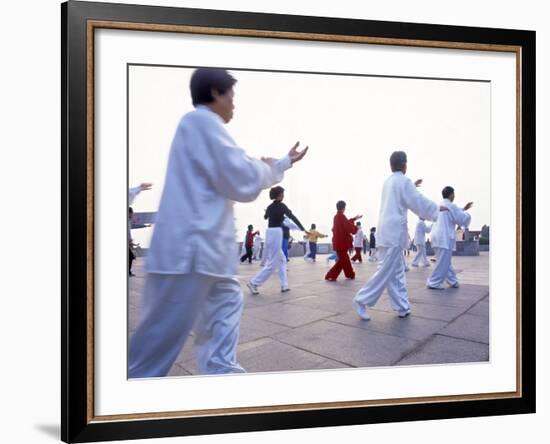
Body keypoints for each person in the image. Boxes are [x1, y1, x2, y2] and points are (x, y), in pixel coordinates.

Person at [128, 68, 309, 378]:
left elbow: (236, 172)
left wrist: (278, 164)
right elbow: (238, 175)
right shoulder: (199, 121)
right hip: (187, 258)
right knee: (151, 356)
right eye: (231, 96)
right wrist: (273, 166)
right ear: (214, 92)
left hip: (208, 258)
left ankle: (225, 382)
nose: (233, 103)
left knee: (226, 310)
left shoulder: (203, 127)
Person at [353, 151, 446, 321]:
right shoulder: (403, 182)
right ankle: (361, 300)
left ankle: (402, 306)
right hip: (393, 233)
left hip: (385, 231)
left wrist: (412, 186)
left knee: (396, 272)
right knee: (386, 271)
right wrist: (436, 209)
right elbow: (417, 200)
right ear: (405, 164)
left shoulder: (389, 182)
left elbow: (408, 195)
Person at [247, 186, 308, 294]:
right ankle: (254, 283)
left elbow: (265, 217)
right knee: (272, 264)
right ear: (279, 195)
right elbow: (292, 217)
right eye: (282, 194)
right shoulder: (282, 206)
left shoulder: (270, 206)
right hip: (276, 233)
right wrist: (303, 228)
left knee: (282, 260)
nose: (283, 196)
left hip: (269, 232)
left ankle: (284, 286)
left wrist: (268, 212)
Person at [427, 186, 473, 289]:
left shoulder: (439, 205)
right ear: (451, 195)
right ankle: (433, 282)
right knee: (443, 263)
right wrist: (467, 214)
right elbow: (462, 218)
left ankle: (453, 281)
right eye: (454, 194)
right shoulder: (451, 206)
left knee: (445, 261)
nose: (454, 196)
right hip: (444, 237)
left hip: (436, 236)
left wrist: (463, 208)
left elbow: (454, 211)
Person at [325, 201, 362, 281]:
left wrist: (354, 218)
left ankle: (349, 274)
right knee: (342, 261)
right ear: (343, 208)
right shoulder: (341, 216)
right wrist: (356, 228)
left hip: (339, 243)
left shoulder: (337, 216)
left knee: (345, 260)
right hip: (341, 243)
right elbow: (348, 226)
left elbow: (346, 223)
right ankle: (330, 275)